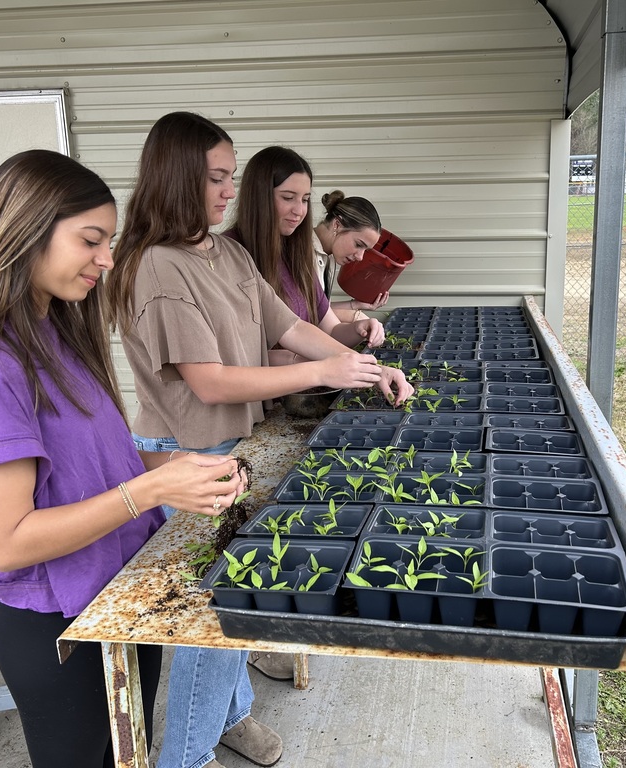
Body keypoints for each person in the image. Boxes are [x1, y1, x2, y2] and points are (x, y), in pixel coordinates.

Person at [0, 149, 247, 768]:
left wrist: (174, 473)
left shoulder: (59, 332)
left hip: (119, 599)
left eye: (110, 241)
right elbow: (9, 541)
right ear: (24, 231)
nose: (108, 259)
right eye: (90, 240)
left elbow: (91, 469)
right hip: (59, 629)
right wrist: (147, 494)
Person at [106, 111, 413, 768]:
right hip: (186, 458)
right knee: (212, 620)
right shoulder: (157, 267)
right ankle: (184, 757)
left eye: (229, 176)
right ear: (179, 177)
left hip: (233, 449)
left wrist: (365, 365)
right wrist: (327, 369)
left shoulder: (227, 252)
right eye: (216, 178)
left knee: (239, 598)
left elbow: (292, 327)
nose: (226, 190)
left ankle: (232, 716)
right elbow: (210, 382)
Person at [224, 145, 385, 365]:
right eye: (288, 197)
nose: (299, 211)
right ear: (259, 196)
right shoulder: (228, 253)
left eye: (305, 199)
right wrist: (312, 364)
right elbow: (236, 355)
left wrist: (360, 329)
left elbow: (330, 329)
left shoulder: (297, 253)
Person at [312, 189, 389, 320]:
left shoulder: (328, 256)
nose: (360, 257)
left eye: (366, 250)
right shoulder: (302, 254)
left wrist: (356, 304)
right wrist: (355, 317)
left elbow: (320, 308)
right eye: (359, 245)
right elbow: (307, 316)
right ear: (337, 224)